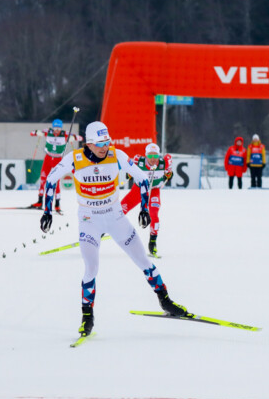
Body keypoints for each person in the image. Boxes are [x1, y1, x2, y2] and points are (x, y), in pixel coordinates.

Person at [39, 121, 189, 338]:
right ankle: (87, 317)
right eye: (100, 143)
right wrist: (47, 211)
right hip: (89, 220)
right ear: (89, 143)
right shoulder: (74, 159)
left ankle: (166, 301)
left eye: (107, 141)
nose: (104, 147)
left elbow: (142, 179)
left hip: (115, 217)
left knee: (144, 261)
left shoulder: (116, 155)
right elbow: (51, 180)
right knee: (91, 267)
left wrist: (145, 209)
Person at [120, 143, 173, 257]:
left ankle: (152, 242)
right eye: (150, 156)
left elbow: (169, 172)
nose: (153, 159)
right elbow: (129, 169)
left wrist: (169, 174)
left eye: (155, 156)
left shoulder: (165, 162)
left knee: (154, 213)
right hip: (139, 189)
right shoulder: (139, 161)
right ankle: (102, 232)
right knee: (120, 210)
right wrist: (129, 174)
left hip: (154, 190)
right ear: (146, 156)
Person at [29, 119, 81, 212]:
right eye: (55, 128)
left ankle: (57, 204)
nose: (57, 130)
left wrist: (74, 138)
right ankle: (40, 201)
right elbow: (32, 133)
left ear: (61, 128)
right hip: (48, 158)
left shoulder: (65, 133)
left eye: (59, 128)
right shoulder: (48, 131)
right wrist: (38, 132)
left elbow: (80, 138)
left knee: (55, 181)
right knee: (43, 179)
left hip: (58, 159)